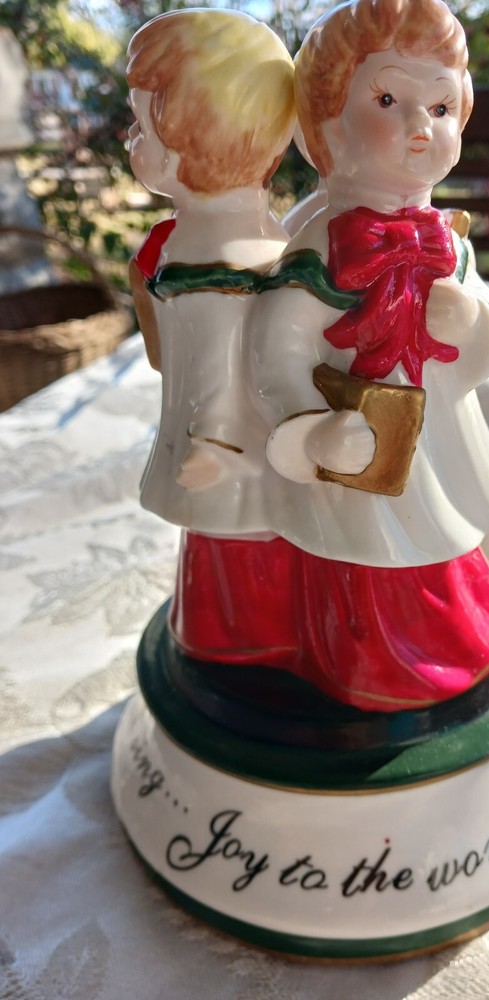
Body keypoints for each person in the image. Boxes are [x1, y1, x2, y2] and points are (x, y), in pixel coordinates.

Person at [245, 0, 489, 710]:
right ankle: (370, 663)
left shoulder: (449, 240)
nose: (422, 126)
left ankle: (454, 636)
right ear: (328, 124)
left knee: (441, 527)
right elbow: (275, 348)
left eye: (442, 106)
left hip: (435, 433)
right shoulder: (321, 244)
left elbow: (488, 345)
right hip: (355, 437)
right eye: (389, 100)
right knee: (362, 546)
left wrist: (471, 323)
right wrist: (309, 429)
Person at [126, 9, 302, 666]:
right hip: (239, 443)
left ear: (193, 144)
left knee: (239, 545)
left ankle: (240, 643)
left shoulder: (215, 262)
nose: (129, 141)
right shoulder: (236, 238)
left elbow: (216, 364)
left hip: (226, 447)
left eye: (140, 128)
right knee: (236, 540)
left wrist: (216, 441)